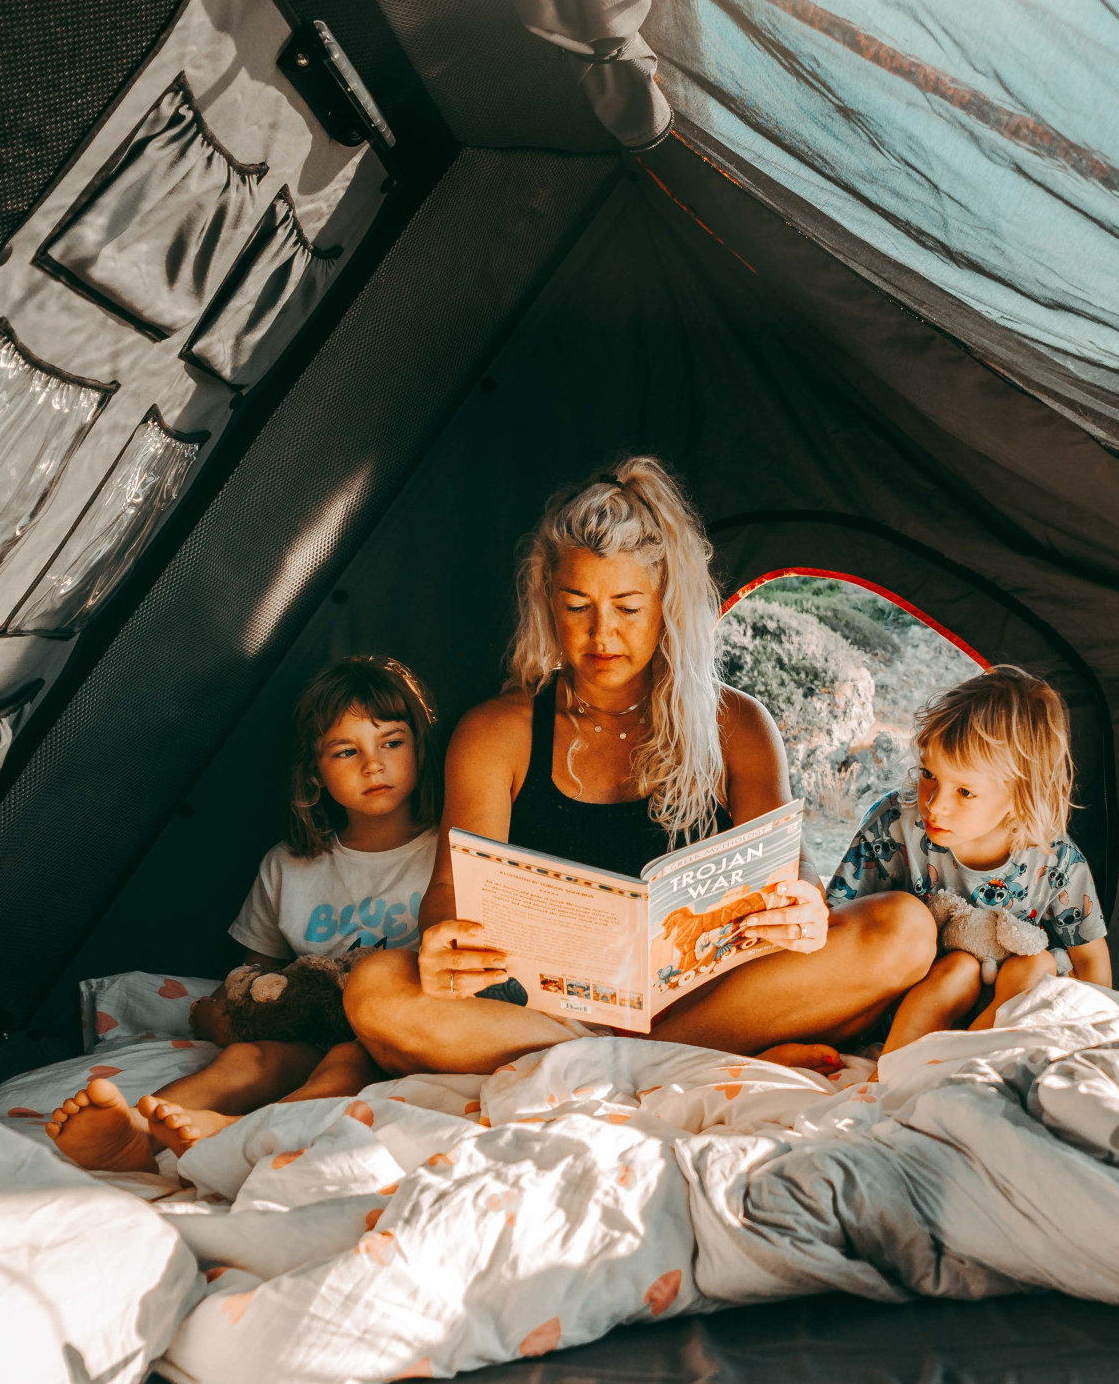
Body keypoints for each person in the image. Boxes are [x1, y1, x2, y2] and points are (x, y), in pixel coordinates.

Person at [344, 458, 936, 1075]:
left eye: (627, 607)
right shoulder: (497, 733)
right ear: (548, 602)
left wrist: (805, 905)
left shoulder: (738, 724)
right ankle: (671, 1060)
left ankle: (614, 1062)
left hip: (710, 998)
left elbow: (792, 873)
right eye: (578, 606)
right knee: (375, 989)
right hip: (544, 1011)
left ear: (664, 603)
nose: (603, 634)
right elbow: (449, 892)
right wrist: (447, 941)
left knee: (904, 930)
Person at [49, 654, 441, 1168]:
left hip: (391, 1038)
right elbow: (256, 973)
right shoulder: (289, 865)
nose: (374, 765)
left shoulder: (448, 854)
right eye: (346, 751)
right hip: (310, 1029)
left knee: (345, 1064)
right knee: (243, 1061)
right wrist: (227, 1009)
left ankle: (246, 1137)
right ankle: (135, 1129)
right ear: (315, 773)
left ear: (419, 747)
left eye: (391, 741)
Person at [835, 666, 1113, 1050]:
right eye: (929, 773)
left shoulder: (1055, 859)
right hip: (917, 997)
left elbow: (1091, 956)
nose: (935, 804)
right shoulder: (897, 823)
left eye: (965, 792)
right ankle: (890, 1076)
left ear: (1021, 794)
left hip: (1010, 1007)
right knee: (959, 969)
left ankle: (967, 1061)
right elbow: (841, 921)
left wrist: (1097, 1032)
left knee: (1038, 966)